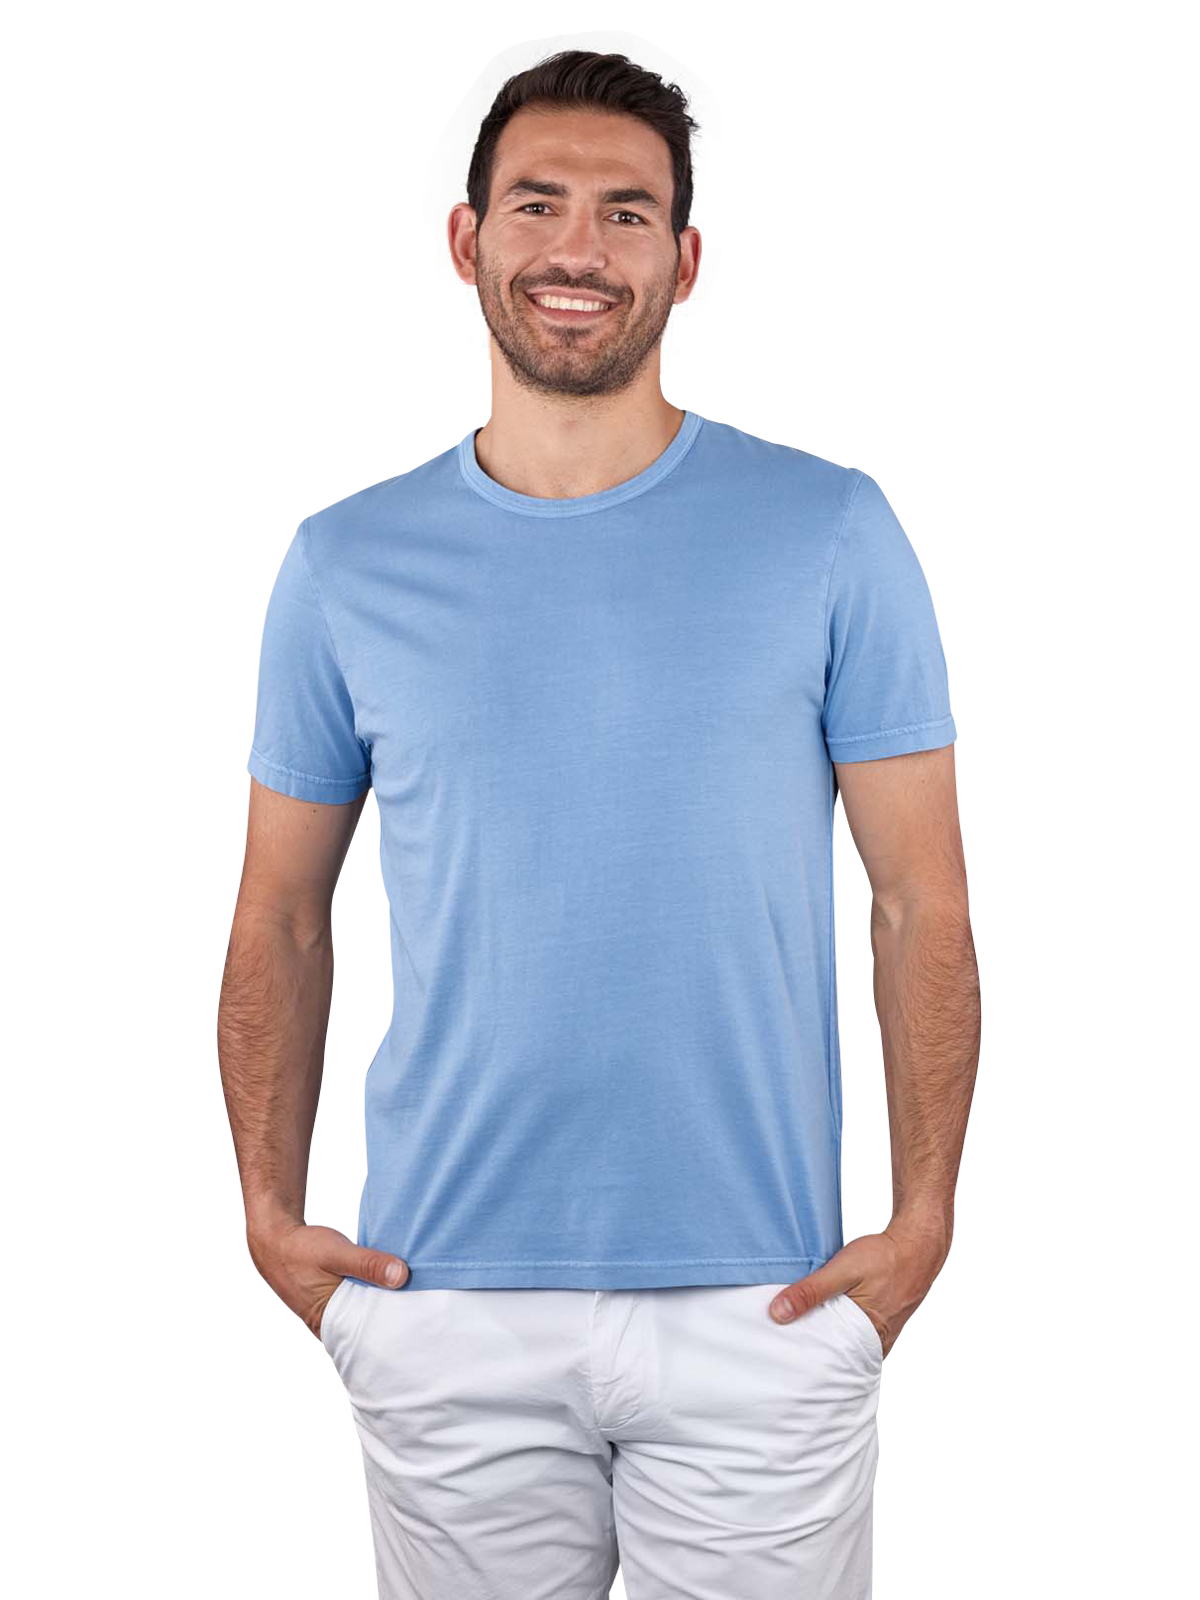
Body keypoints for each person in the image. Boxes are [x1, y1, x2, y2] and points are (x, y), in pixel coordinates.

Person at [219, 47, 979, 1600]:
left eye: (627, 213)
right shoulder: (347, 564)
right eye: (538, 203)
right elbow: (281, 911)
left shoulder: (833, 535)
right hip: (436, 1288)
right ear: (464, 240)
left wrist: (921, 1223)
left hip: (768, 1294)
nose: (579, 247)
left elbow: (921, 901)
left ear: (686, 262)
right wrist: (268, 1213)